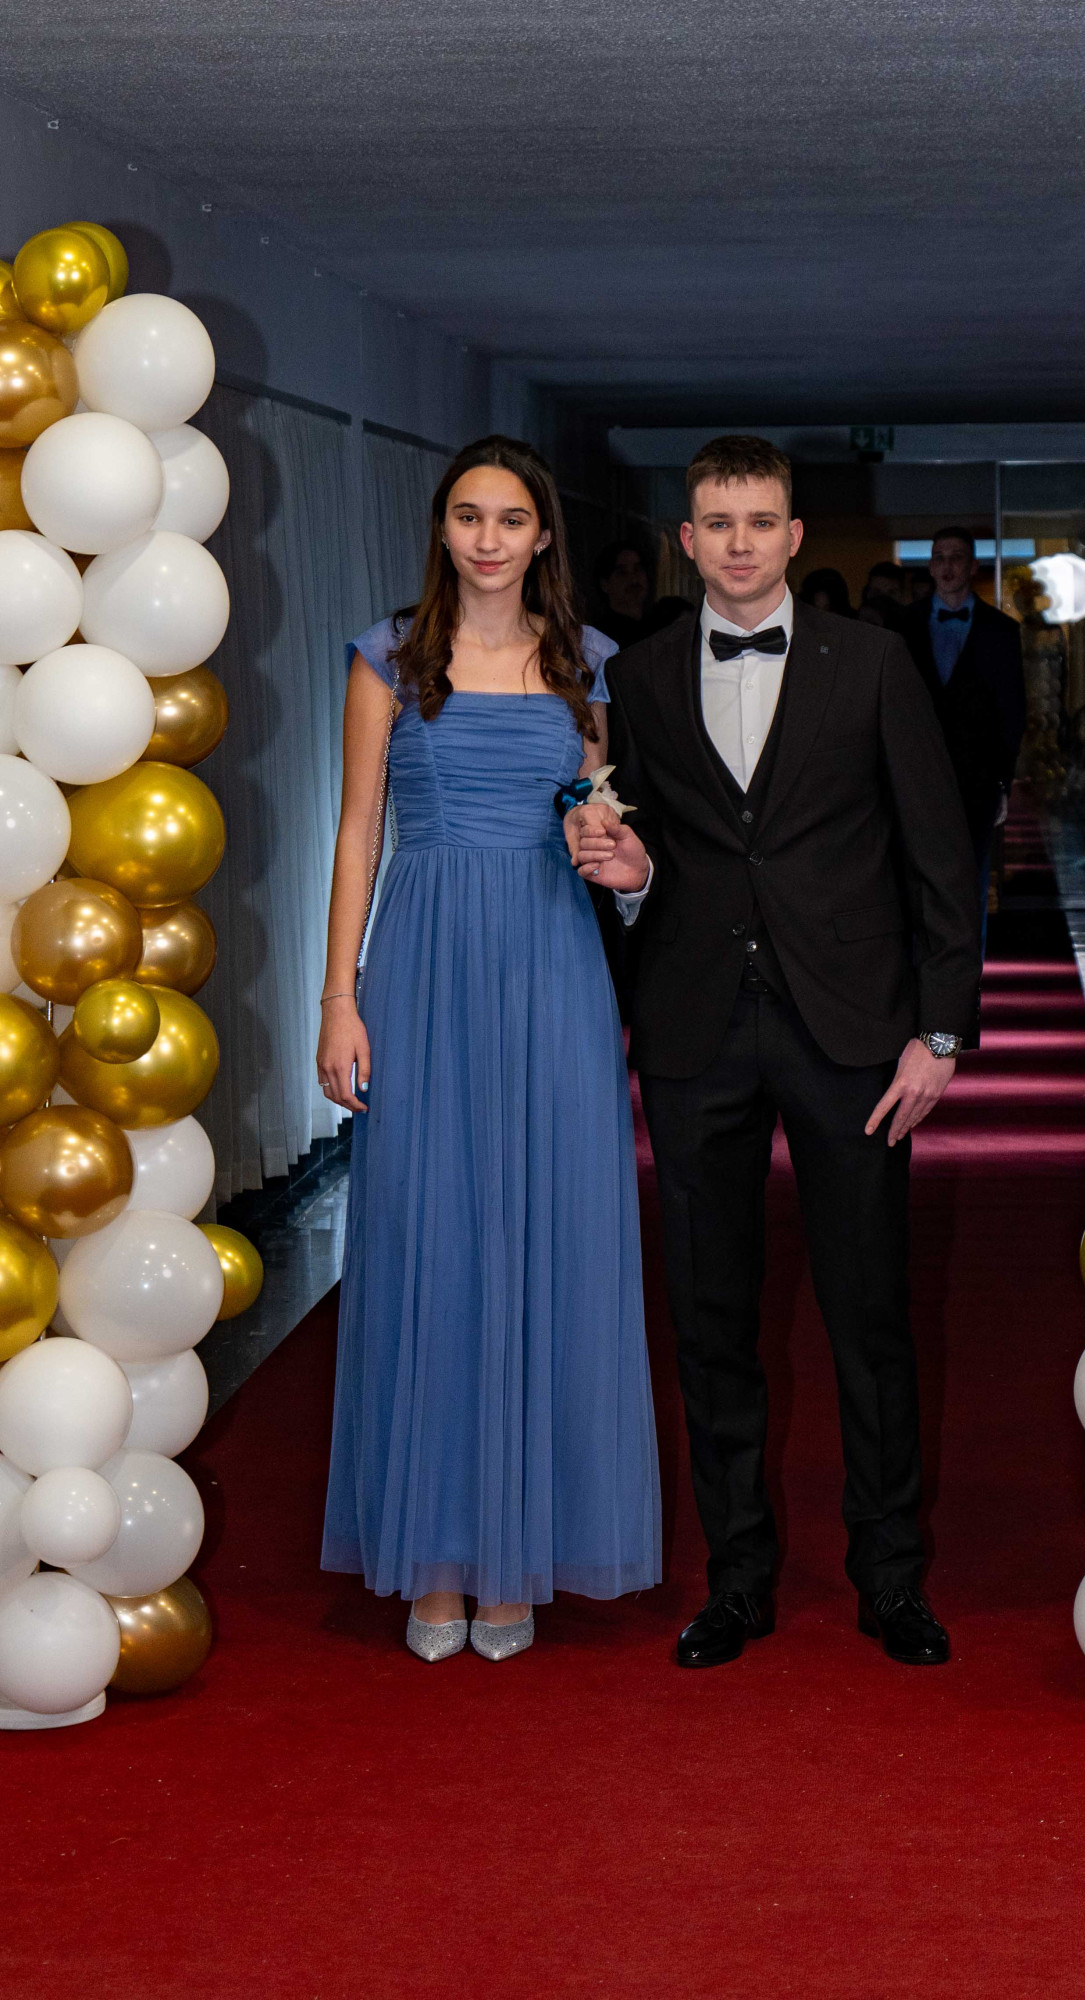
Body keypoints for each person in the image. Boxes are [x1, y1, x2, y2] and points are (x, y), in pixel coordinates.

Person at [569, 436, 981, 1671]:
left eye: (760, 521)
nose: (739, 542)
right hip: (696, 1027)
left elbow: (940, 851)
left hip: (851, 1028)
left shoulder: (873, 662)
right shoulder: (639, 676)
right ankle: (737, 1578)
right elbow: (637, 853)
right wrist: (628, 877)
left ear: (794, 536)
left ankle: (891, 1577)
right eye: (717, 522)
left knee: (870, 1314)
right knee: (711, 1319)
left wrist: (940, 1030)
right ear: (685, 541)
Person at [318, 435, 660, 1665]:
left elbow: (596, 819)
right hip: (421, 962)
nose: (488, 538)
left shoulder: (586, 663)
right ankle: (440, 1556)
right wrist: (338, 999)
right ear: (443, 527)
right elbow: (358, 831)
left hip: (551, 963)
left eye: (511, 518)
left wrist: (619, 861)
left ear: (543, 534)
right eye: (468, 515)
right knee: (434, 1234)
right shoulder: (388, 655)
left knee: (543, 1234)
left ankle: (517, 1550)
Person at [898, 526, 1027, 927]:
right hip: (914, 775)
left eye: (956, 558)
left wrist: (1003, 780)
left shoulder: (1001, 630)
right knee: (914, 881)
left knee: (972, 881)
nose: (947, 566)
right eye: (939, 558)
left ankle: (967, 964)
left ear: (972, 566)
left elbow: (1012, 709)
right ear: (930, 566)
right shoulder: (901, 625)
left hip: (977, 777)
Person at [592, 539, 653, 647]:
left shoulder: (658, 626)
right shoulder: (599, 639)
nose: (634, 580)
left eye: (637, 569)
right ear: (605, 584)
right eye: (622, 573)